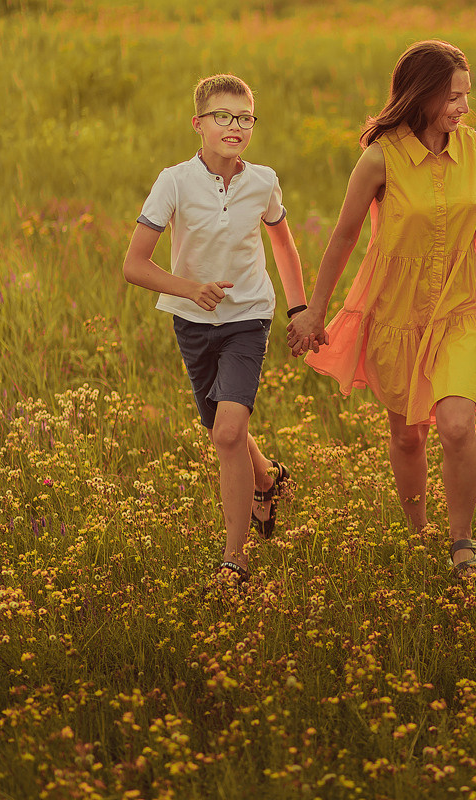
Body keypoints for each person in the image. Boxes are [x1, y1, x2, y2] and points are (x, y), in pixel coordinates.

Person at [286, 40, 476, 579]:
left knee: (457, 424)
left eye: (467, 95)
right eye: (453, 96)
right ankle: (419, 534)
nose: (464, 107)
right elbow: (344, 238)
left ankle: (461, 541)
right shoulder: (379, 158)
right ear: (420, 95)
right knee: (406, 434)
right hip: (395, 309)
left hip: (462, 305)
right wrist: (314, 312)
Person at [122, 74, 311, 584]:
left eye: (245, 117)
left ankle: (235, 559)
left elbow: (285, 248)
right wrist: (190, 288)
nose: (235, 126)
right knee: (220, 431)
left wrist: (299, 312)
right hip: (193, 322)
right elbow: (135, 265)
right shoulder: (174, 181)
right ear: (198, 124)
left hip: (248, 317)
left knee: (228, 431)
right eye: (223, 117)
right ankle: (268, 481)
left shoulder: (263, 181)